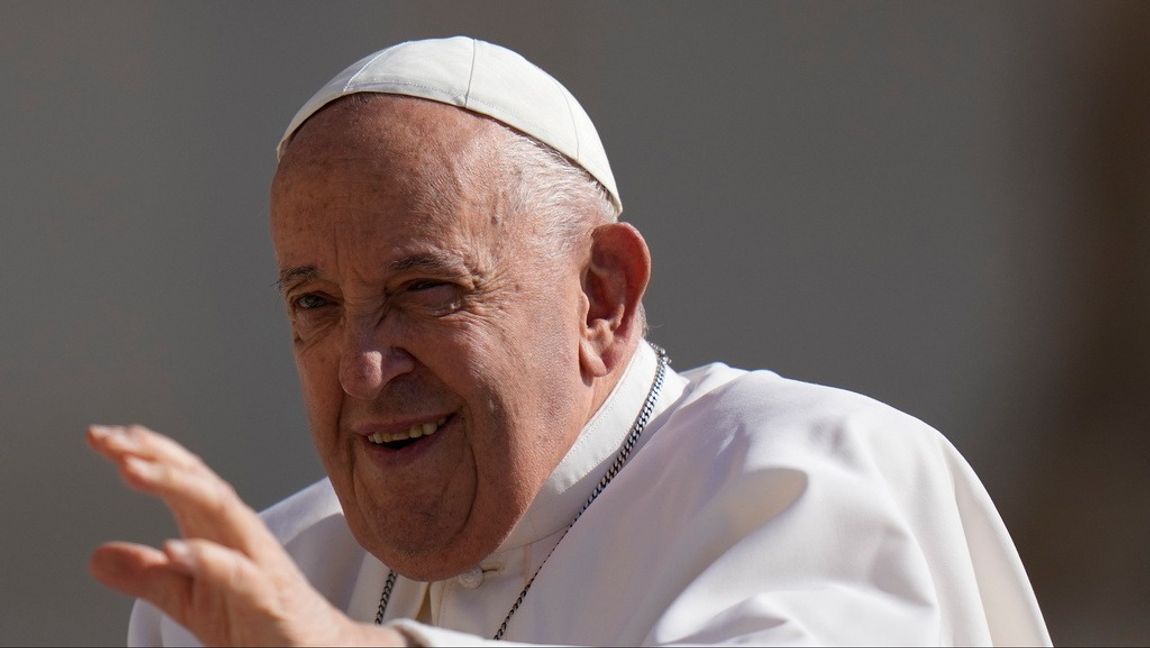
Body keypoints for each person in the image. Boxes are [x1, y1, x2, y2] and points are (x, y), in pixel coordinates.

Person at [87, 36, 1051, 646]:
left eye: (424, 290)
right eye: (317, 305)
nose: (364, 369)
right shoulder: (278, 578)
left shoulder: (816, 480)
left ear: (602, 297)